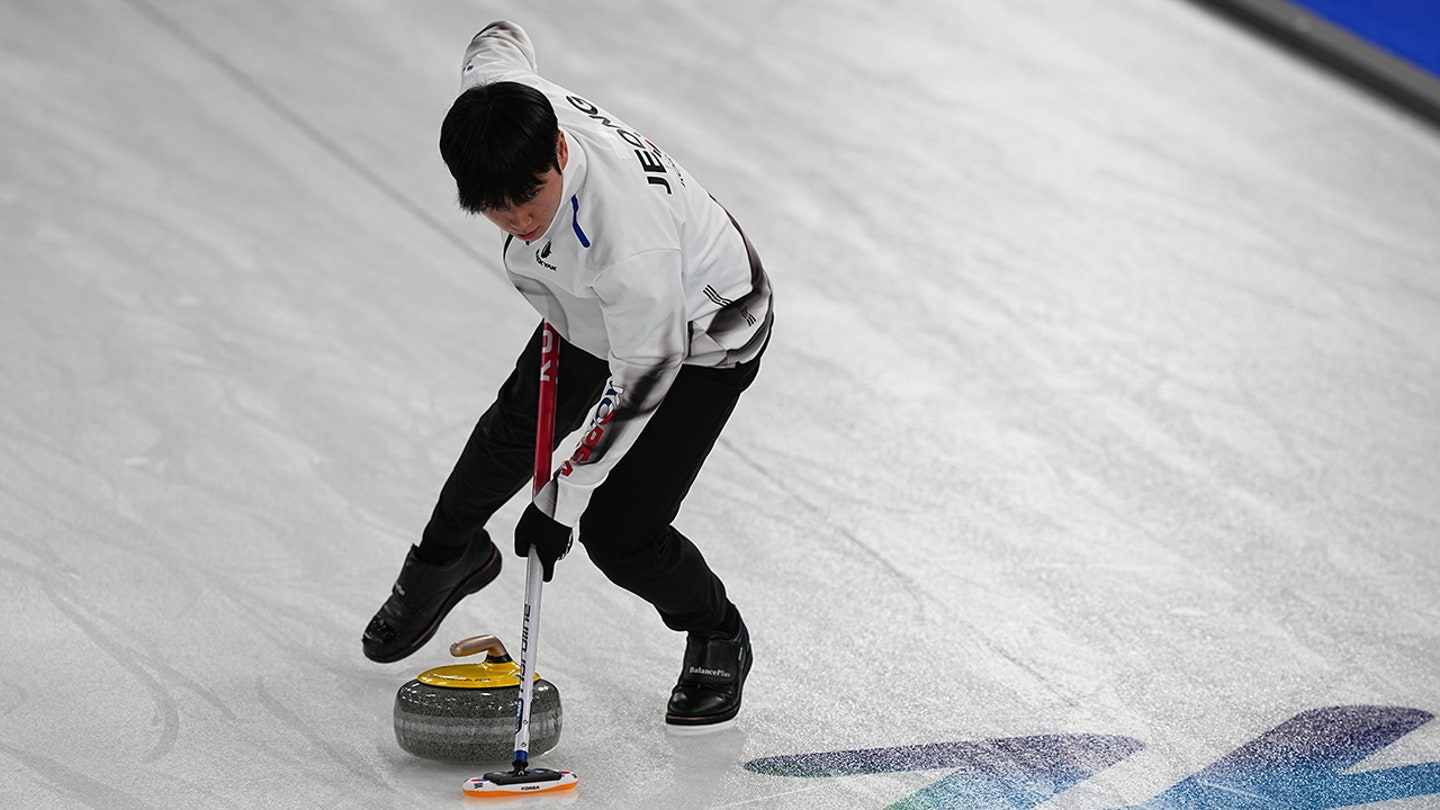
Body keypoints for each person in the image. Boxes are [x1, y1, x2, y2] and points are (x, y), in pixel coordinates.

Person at [362, 20, 773, 732]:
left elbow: (646, 370)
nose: (518, 219)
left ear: (561, 149)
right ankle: (447, 558)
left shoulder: (627, 243)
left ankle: (716, 628)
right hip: (589, 306)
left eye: (530, 199)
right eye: (497, 207)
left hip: (705, 336)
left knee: (621, 533)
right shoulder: (497, 106)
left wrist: (561, 496)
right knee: (510, 432)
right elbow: (498, 35)